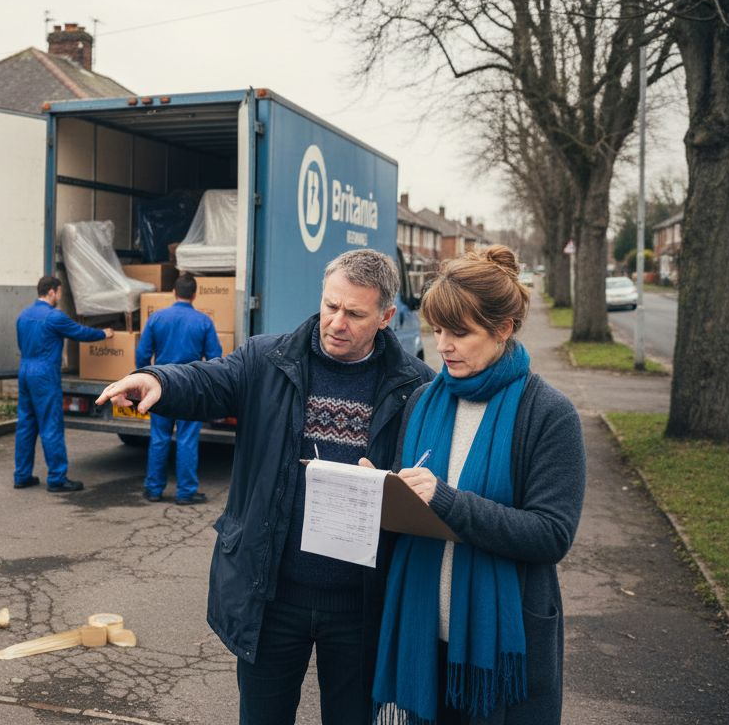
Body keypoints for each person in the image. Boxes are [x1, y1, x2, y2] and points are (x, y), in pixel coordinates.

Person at [97, 249, 434, 725]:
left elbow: (427, 482)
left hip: (361, 607)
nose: (336, 322)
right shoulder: (267, 359)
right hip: (273, 596)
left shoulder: (416, 387)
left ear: (385, 317)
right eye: (330, 306)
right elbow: (208, 379)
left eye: (355, 314)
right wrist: (156, 379)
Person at [370, 245, 585, 725]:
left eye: (459, 333)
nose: (442, 345)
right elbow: (411, 509)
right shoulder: (422, 401)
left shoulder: (549, 414)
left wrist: (446, 500)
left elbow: (551, 535)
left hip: (498, 652)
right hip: (423, 639)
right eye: (438, 330)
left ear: (502, 330)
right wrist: (374, 493)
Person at [14, 274, 113, 493]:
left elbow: (21, 343)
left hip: (25, 370)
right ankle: (57, 478)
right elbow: (80, 332)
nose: (59, 296)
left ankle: (22, 475)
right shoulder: (54, 317)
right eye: (59, 292)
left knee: (26, 425)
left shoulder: (23, 315)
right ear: (51, 292)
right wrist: (103, 333)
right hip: (44, 374)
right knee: (51, 425)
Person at [134, 274, 224, 505]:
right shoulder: (203, 321)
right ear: (195, 295)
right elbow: (215, 358)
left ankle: (153, 489)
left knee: (159, 438)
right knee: (187, 440)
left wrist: (145, 376)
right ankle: (186, 492)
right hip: (191, 388)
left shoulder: (157, 319)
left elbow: (143, 353)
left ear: (174, 292)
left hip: (160, 386)